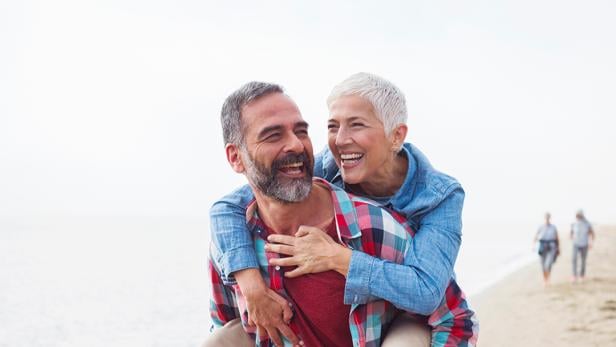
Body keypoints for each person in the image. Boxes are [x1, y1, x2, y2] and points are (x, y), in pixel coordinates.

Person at [205, 81, 478, 347]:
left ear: (396, 135)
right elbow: (235, 203)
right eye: (332, 127)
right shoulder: (327, 165)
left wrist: (340, 258)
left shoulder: (437, 197)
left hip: (404, 317)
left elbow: (430, 295)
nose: (340, 140)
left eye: (357, 124)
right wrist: (251, 284)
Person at [533, 212, 559, 286]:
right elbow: (536, 236)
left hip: (551, 247)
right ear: (544, 218)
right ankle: (545, 280)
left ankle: (548, 279)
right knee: (543, 265)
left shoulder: (553, 227)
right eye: (546, 217)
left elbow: (557, 238)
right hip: (542, 247)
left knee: (548, 264)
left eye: (548, 217)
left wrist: (558, 248)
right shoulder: (541, 227)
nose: (547, 219)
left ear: (549, 218)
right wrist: (533, 245)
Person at [570, 210, 595, 283]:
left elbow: (592, 233)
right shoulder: (574, 223)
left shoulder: (587, 223)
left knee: (583, 260)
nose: (578, 216)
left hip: (584, 244)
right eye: (577, 215)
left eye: (579, 215)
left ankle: (582, 275)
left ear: (582, 215)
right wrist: (571, 237)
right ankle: (574, 276)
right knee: (574, 259)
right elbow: (571, 232)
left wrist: (591, 243)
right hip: (576, 244)